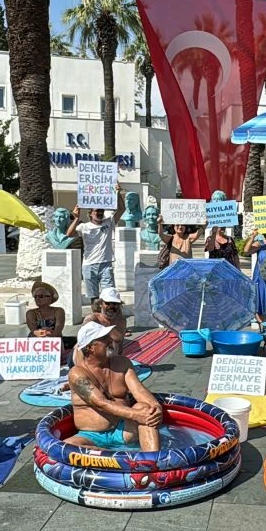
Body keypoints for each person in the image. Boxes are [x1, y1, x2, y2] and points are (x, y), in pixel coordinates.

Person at [65, 321, 163, 451]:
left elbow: (139, 390)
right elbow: (101, 403)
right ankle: (115, 457)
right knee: (66, 447)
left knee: (146, 409)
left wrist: (156, 407)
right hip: (91, 436)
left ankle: (153, 463)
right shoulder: (77, 373)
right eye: (104, 339)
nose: (111, 340)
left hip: (124, 429)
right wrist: (136, 415)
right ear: (90, 347)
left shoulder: (122, 363)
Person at [67, 186, 125, 306]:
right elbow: (69, 234)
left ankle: (108, 319)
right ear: (90, 213)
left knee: (109, 295)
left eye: (101, 211)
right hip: (89, 265)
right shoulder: (84, 226)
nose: (99, 213)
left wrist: (118, 193)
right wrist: (76, 218)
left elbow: (121, 209)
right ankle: (96, 318)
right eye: (97, 211)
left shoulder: (109, 222)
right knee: (94, 298)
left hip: (105, 264)